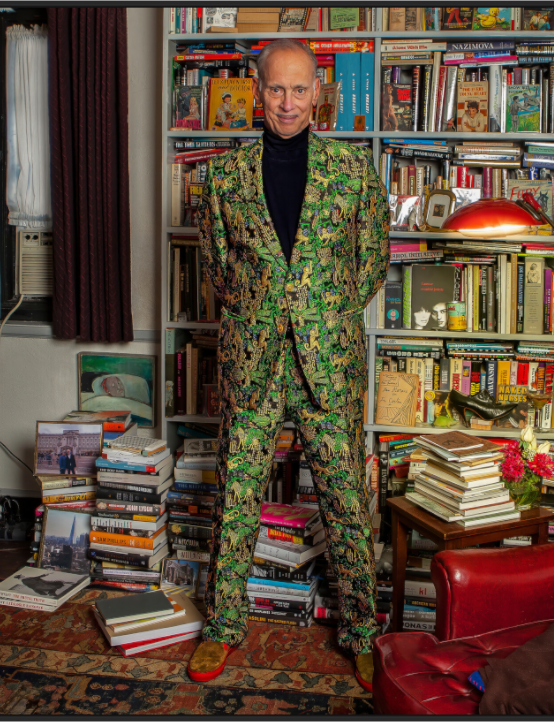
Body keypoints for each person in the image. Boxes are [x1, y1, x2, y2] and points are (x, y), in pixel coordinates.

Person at [189, 37, 389, 693]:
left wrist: (317, 315)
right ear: (257, 92)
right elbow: (220, 271)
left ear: (318, 95)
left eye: (299, 89)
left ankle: (363, 633)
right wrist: (265, 311)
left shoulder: (354, 173)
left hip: (327, 363)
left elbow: (370, 267)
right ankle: (222, 627)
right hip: (254, 363)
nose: (287, 101)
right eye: (276, 88)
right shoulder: (221, 178)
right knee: (236, 499)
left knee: (345, 503)